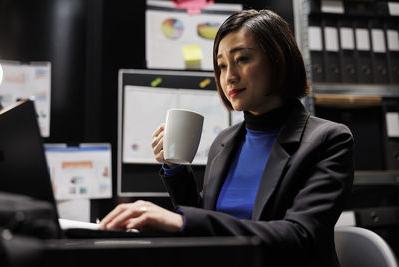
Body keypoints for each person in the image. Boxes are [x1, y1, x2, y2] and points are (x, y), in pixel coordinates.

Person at [99, 9, 354, 267]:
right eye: (221, 65)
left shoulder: (329, 140)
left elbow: (299, 236)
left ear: (279, 61)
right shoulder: (225, 141)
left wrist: (182, 221)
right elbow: (208, 221)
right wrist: (175, 168)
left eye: (242, 59)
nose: (228, 76)